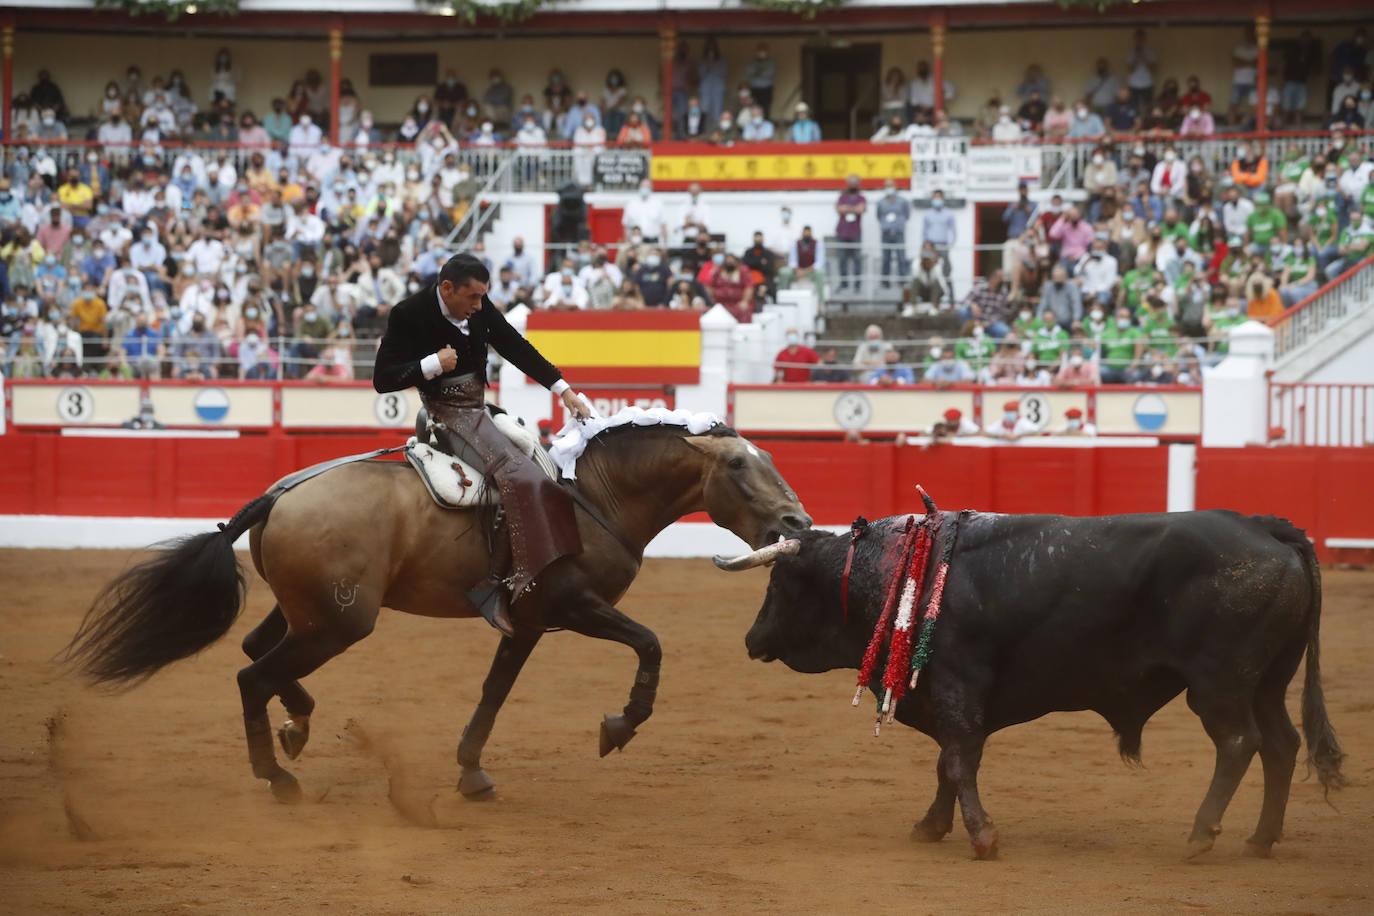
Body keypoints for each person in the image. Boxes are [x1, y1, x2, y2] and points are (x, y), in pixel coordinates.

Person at [372, 254, 593, 637]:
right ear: (447, 289)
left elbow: (513, 345)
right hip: (446, 416)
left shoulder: (477, 306)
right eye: (473, 298)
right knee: (518, 477)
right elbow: (382, 378)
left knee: (538, 465)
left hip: (479, 411)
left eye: (482, 298)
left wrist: (563, 389)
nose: (478, 306)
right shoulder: (408, 314)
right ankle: (490, 586)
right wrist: (430, 364)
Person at [834, 175, 866, 293]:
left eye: (855, 183)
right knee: (842, 259)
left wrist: (846, 208)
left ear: (858, 184)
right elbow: (839, 209)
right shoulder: (842, 197)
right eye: (850, 183)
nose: (852, 185)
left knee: (857, 259)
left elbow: (860, 209)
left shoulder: (861, 198)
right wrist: (853, 208)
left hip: (855, 234)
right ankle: (844, 284)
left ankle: (857, 285)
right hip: (842, 233)